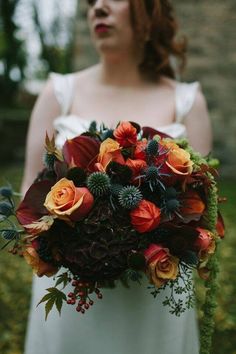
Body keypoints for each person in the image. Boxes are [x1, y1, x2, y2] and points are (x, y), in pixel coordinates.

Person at [22, 1, 212, 353]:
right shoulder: (58, 93)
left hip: (155, 296)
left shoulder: (188, 101)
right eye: (92, 2)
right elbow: (28, 205)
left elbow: (201, 211)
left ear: (149, 11)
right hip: (72, 298)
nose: (99, 8)